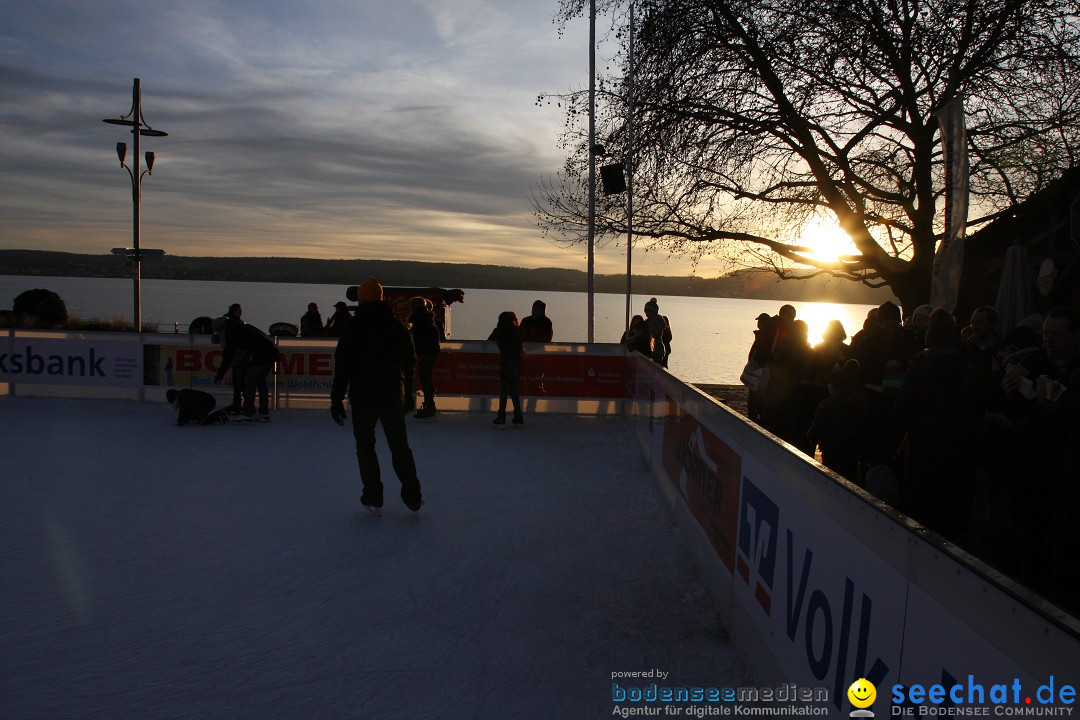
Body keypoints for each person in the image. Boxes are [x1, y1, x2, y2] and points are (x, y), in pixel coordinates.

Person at [330, 277, 423, 514]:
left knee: (365, 446)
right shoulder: (397, 326)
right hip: (392, 395)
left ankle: (373, 496)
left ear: (362, 300)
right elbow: (410, 362)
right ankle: (413, 497)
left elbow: (343, 364)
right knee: (399, 447)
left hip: (364, 397)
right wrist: (409, 391)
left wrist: (336, 398)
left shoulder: (354, 327)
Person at [213, 316, 278, 420]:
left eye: (218, 332)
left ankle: (247, 413)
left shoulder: (231, 333)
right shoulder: (241, 328)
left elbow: (228, 356)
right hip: (271, 352)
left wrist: (219, 376)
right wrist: (245, 359)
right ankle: (264, 412)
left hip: (261, 355)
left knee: (250, 384)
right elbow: (252, 343)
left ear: (221, 328)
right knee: (261, 382)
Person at [488, 311, 524, 425]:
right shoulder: (515, 330)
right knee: (514, 390)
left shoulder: (499, 330)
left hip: (506, 362)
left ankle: (501, 416)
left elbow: (489, 342)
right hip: (517, 362)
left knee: (504, 390)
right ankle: (518, 416)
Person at [409, 296, 441, 419]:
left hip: (425, 355)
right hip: (424, 355)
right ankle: (428, 405)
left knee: (426, 380)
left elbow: (431, 340)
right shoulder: (424, 319)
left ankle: (430, 406)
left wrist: (426, 355)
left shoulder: (422, 321)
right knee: (425, 380)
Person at [643, 298, 672, 367]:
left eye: (649, 311)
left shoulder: (654, 322)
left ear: (654, 312)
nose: (647, 313)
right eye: (646, 311)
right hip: (657, 348)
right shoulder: (651, 321)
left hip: (655, 348)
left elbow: (651, 334)